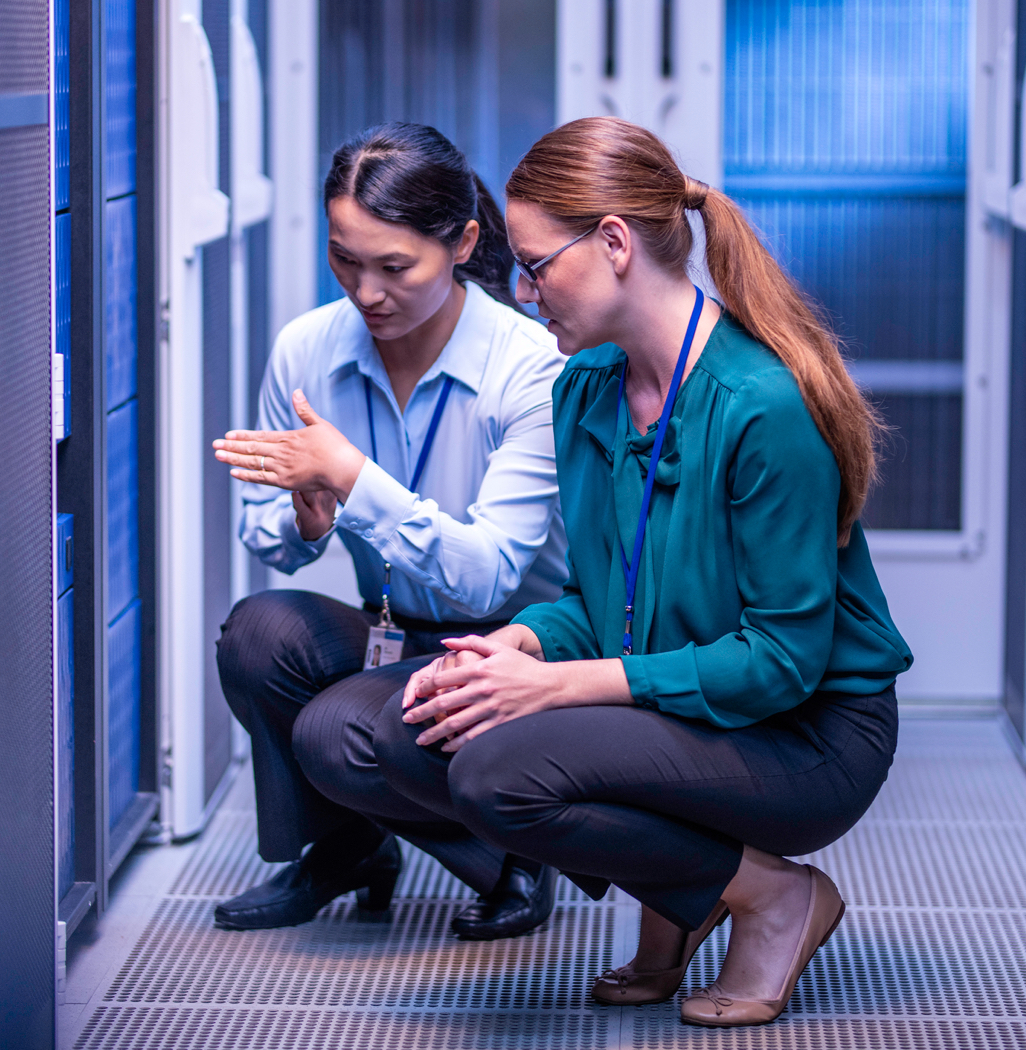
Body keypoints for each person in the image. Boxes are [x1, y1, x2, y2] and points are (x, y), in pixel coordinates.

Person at [295, 116, 913, 1027]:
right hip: (677, 701)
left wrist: (551, 688)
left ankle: (773, 897)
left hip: (807, 734)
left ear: (615, 243)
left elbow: (780, 662)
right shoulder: (587, 387)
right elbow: (600, 598)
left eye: (536, 265)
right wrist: (517, 641)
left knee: (498, 769)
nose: (521, 291)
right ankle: (684, 895)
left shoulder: (763, 404)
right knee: (412, 729)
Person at [210, 122, 568, 941]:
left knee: (336, 731)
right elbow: (261, 529)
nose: (365, 292)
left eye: (395, 267)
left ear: (464, 242)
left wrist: (352, 479)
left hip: (511, 645)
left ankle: (516, 848)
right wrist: (305, 521)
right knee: (257, 635)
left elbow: (486, 578)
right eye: (345, 259)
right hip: (394, 631)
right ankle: (349, 849)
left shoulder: (529, 365)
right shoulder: (306, 349)